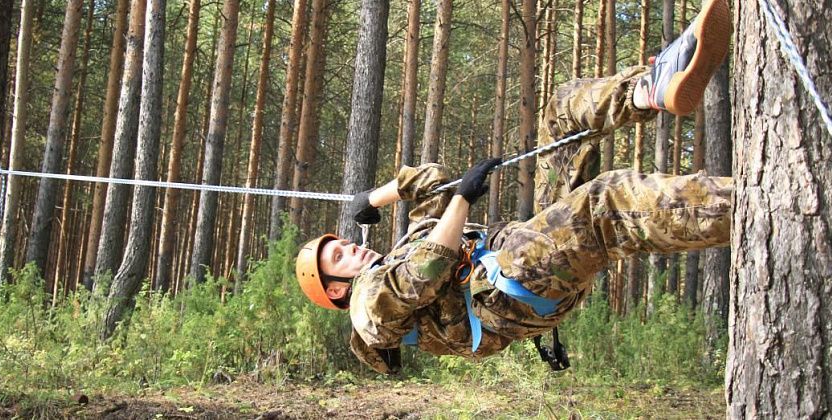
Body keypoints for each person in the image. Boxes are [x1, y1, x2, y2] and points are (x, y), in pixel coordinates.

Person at [295, 0, 733, 374]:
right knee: (605, 203)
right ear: (335, 289)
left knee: (563, 112)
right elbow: (423, 273)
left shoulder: (403, 246)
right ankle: (748, 206)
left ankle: (649, 89)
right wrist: (464, 199)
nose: (351, 247)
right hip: (518, 286)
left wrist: (373, 198)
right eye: (340, 256)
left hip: (525, 249)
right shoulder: (366, 307)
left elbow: (434, 181)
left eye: (344, 244)